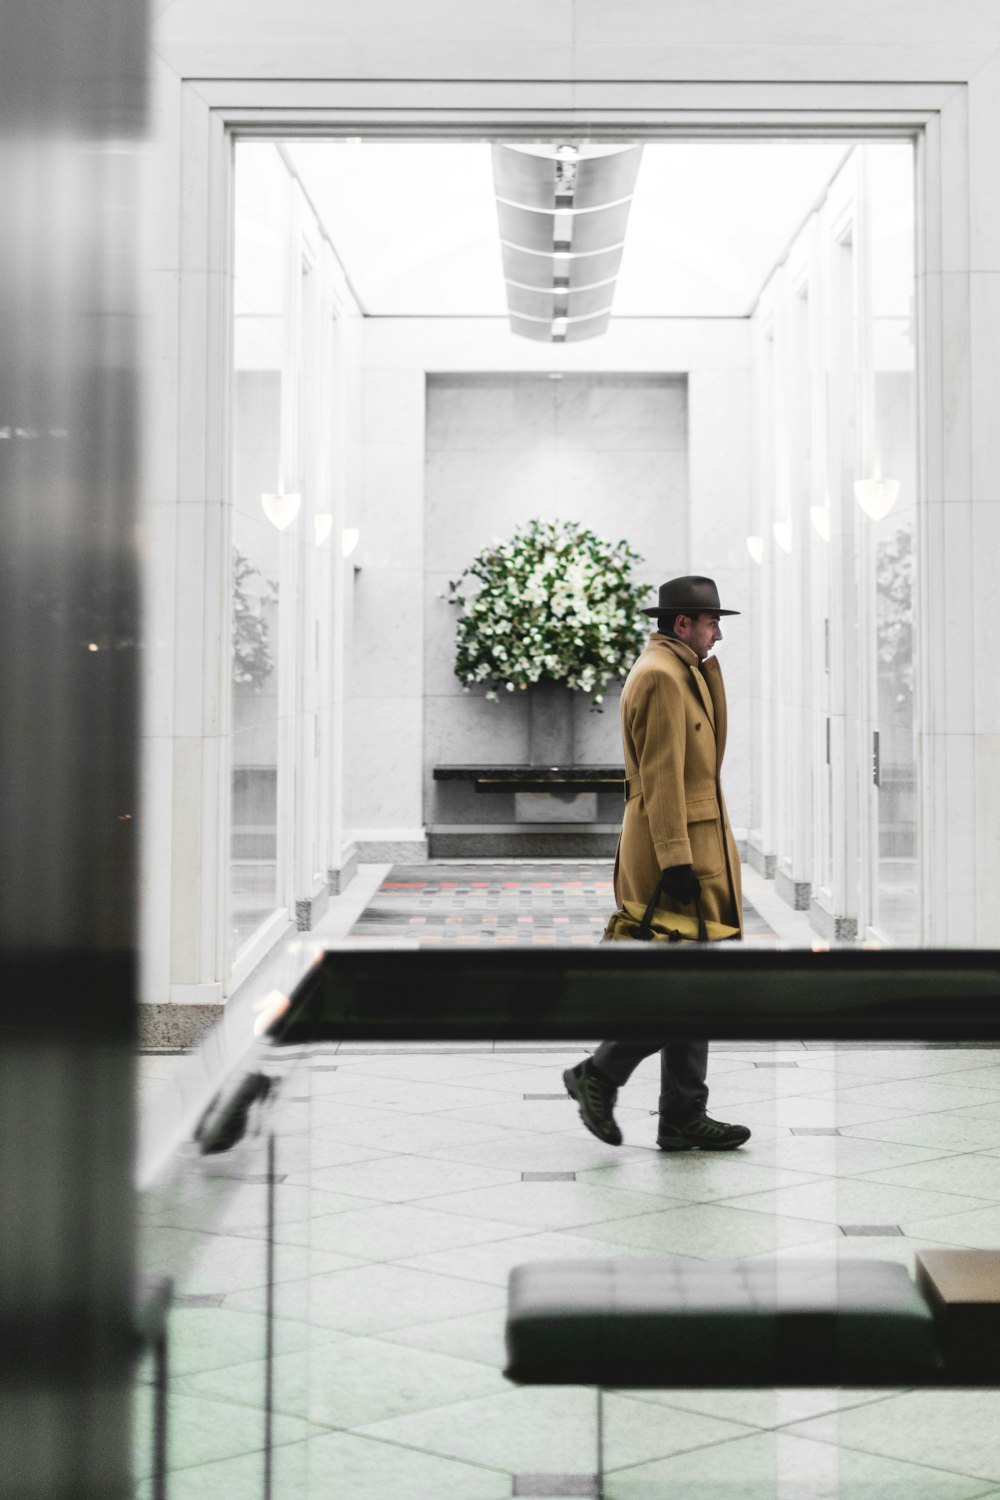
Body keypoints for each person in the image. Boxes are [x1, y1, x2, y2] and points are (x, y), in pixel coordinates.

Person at [563, 575, 751, 1151]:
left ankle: (682, 1115)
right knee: (692, 987)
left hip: (697, 845)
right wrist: (675, 858)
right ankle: (601, 1072)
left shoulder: (682, 672)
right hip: (679, 852)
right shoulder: (661, 678)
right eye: (711, 621)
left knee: (694, 980)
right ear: (681, 625)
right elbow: (661, 777)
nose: (718, 630)